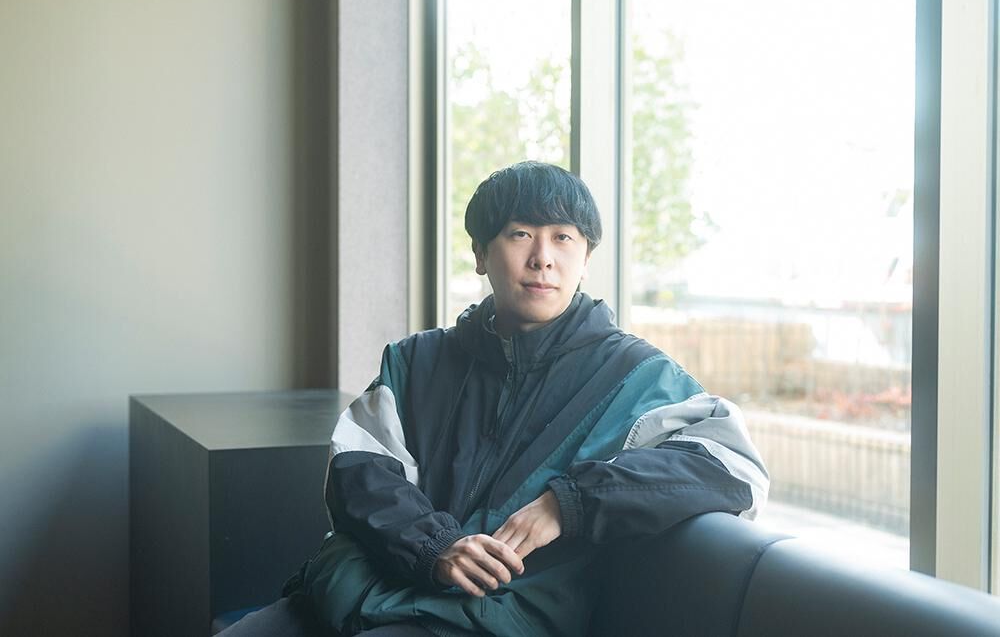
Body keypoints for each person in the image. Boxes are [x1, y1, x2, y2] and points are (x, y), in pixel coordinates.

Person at [221, 161, 768, 637]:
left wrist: (570, 502)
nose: (542, 258)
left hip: (489, 619)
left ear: (585, 258)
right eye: (519, 234)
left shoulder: (636, 376)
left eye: (563, 237)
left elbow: (733, 468)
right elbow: (359, 469)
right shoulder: (417, 360)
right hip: (350, 589)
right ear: (481, 254)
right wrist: (434, 545)